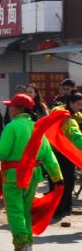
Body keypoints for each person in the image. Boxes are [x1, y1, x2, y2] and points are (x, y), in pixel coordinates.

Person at [0, 93, 62, 251]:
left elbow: (1, 153)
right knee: (26, 210)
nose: (9, 109)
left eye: (11, 106)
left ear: (19, 108)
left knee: (15, 210)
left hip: (13, 175)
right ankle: (27, 243)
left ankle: (22, 245)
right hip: (33, 175)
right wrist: (57, 178)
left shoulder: (12, 127)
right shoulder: (36, 127)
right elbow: (48, 155)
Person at [50, 91, 82, 226]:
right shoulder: (64, 117)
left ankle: (65, 209)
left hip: (66, 153)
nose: (80, 107)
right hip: (59, 152)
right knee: (61, 182)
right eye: (78, 104)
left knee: (67, 181)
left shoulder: (76, 115)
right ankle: (58, 210)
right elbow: (75, 136)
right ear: (70, 103)